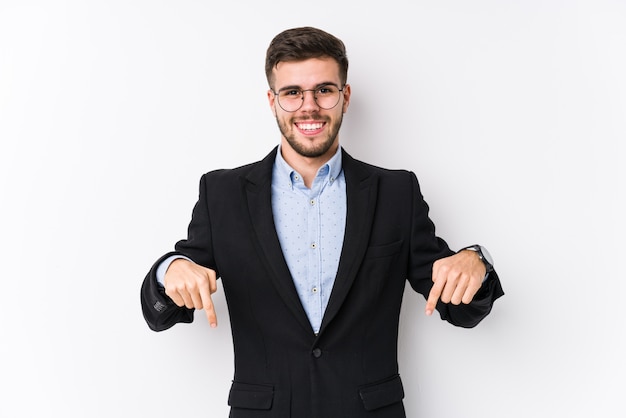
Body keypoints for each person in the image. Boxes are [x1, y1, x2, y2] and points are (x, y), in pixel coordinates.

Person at [140, 26, 504, 418]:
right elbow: (162, 313)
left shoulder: (396, 192)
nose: (308, 106)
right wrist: (170, 270)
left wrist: (474, 262)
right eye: (292, 92)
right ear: (272, 101)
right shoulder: (223, 193)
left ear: (345, 98)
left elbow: (460, 308)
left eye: (324, 90)